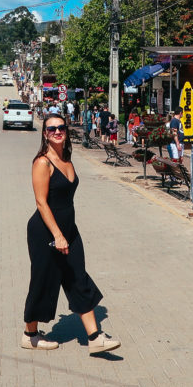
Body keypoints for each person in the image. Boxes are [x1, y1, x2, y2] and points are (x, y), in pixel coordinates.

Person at [22, 114, 121, 355]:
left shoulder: (66, 158)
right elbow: (41, 203)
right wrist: (57, 235)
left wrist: (65, 233)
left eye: (60, 127)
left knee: (77, 276)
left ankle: (94, 337)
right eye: (51, 129)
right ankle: (30, 334)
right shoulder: (42, 163)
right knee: (44, 281)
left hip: (68, 230)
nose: (57, 131)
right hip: (45, 231)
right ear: (45, 134)